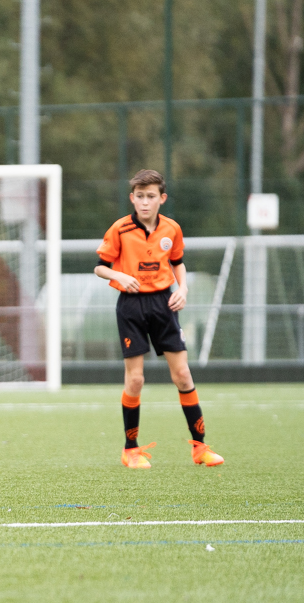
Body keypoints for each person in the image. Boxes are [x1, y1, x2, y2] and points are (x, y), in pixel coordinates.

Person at [94, 169, 224, 469]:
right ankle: (131, 450)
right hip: (131, 306)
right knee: (136, 379)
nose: (144, 202)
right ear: (132, 198)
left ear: (161, 199)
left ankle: (200, 448)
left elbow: (177, 262)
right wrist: (119, 276)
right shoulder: (120, 229)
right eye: (139, 196)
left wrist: (184, 289)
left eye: (150, 196)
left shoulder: (172, 229)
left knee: (182, 376)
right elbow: (100, 267)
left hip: (163, 304)